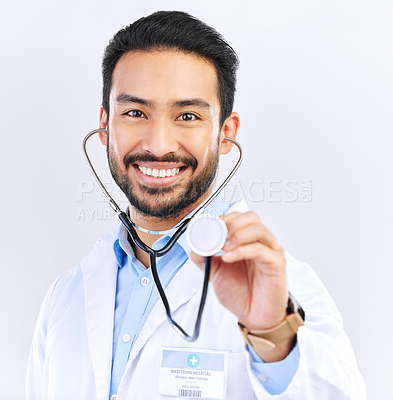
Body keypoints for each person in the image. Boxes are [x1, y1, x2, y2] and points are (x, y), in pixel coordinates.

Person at [26, 10, 366, 400]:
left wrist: (273, 334)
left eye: (187, 116)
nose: (158, 144)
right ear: (105, 126)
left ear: (226, 133)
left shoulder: (285, 291)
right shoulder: (64, 298)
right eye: (135, 112)